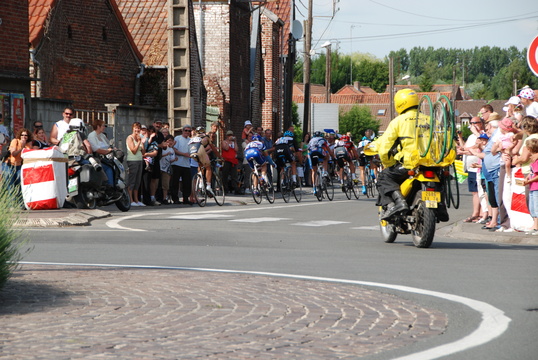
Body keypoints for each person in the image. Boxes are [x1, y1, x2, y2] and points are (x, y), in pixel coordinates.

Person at [374, 89, 438, 220]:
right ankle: (440, 206)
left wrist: (388, 163)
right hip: (433, 163)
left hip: (410, 164)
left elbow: (384, 148)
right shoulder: (430, 119)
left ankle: (397, 203)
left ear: (399, 103)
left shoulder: (398, 121)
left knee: (384, 177)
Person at [457, 117, 486, 223]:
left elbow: (476, 149)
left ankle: (481, 214)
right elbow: (464, 147)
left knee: (480, 191)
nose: (473, 125)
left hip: (477, 166)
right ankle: (476, 213)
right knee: (474, 192)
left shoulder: (482, 135)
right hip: (470, 167)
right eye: (471, 123)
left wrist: (463, 151)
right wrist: (460, 138)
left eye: (475, 123)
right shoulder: (471, 136)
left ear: (481, 123)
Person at [2, 128, 33, 193]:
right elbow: (13, 154)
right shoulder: (15, 141)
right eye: (22, 135)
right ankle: (10, 202)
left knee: (20, 185)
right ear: (20, 135)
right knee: (10, 185)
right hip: (9, 165)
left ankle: (19, 201)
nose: (24, 137)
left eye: (26, 135)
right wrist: (22, 148)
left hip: (19, 166)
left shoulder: (28, 145)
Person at [87, 119, 114, 187]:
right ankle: (110, 187)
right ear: (98, 126)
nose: (104, 127)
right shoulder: (92, 136)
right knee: (109, 169)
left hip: (107, 158)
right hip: (98, 159)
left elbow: (109, 145)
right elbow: (96, 149)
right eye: (103, 126)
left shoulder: (102, 135)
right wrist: (108, 151)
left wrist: (113, 149)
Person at [171, 125, 193, 205]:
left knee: (187, 182)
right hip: (177, 163)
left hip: (186, 164)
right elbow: (174, 149)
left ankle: (186, 198)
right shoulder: (178, 138)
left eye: (189, 131)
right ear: (182, 131)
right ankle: (175, 198)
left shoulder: (190, 140)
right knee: (175, 182)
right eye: (186, 130)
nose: (187, 132)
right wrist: (183, 154)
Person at [188, 126, 214, 194]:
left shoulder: (193, 138)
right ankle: (208, 186)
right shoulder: (206, 137)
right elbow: (213, 148)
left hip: (192, 153)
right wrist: (220, 156)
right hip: (200, 151)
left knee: (200, 165)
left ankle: (200, 182)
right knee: (208, 167)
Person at [126, 122, 146, 207]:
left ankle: (136, 199)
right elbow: (133, 151)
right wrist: (138, 142)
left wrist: (142, 142)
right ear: (132, 128)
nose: (137, 130)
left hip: (139, 160)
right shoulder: (130, 138)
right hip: (132, 160)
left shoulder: (140, 137)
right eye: (135, 128)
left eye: (138, 128)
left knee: (138, 181)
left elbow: (143, 152)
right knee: (132, 181)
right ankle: (130, 200)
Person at [142, 125, 161, 205]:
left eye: (152, 132)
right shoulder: (144, 140)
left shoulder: (155, 142)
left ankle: (151, 198)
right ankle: (145, 198)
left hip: (153, 162)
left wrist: (146, 154)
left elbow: (155, 153)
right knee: (145, 181)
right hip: (144, 162)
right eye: (149, 131)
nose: (151, 133)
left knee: (153, 180)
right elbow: (144, 147)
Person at [522, 138, 538, 235]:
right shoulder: (533, 161)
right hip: (533, 187)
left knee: (536, 207)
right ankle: (534, 225)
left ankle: (536, 226)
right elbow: (531, 173)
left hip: (536, 187)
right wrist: (527, 178)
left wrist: (529, 181)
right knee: (532, 207)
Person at [357, 129, 377, 195]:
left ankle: (363, 187)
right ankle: (372, 172)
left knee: (362, 170)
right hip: (368, 151)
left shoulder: (360, 143)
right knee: (372, 159)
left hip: (360, 152)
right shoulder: (370, 142)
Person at [160, 135, 177, 204]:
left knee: (165, 184)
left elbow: (170, 160)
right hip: (160, 166)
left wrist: (174, 160)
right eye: (168, 140)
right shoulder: (163, 148)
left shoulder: (172, 150)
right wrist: (166, 154)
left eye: (171, 141)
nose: (169, 142)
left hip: (166, 168)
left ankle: (165, 198)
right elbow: (159, 155)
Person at [221, 130, 240, 194]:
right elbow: (226, 148)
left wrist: (235, 142)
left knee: (234, 176)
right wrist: (228, 142)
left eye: (231, 135)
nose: (230, 137)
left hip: (233, 161)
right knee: (225, 175)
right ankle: (225, 189)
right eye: (229, 135)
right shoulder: (224, 142)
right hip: (226, 160)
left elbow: (236, 149)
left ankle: (236, 188)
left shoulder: (233, 143)